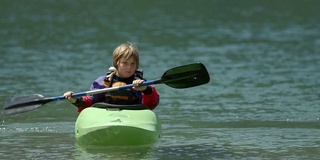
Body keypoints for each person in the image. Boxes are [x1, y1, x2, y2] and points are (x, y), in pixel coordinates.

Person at [63, 42, 159, 112]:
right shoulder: (103, 82)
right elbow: (90, 102)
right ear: (117, 63)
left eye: (133, 64)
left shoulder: (141, 83)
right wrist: (75, 100)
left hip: (132, 117)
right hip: (106, 117)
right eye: (125, 63)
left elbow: (151, 105)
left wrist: (146, 90)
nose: (129, 67)